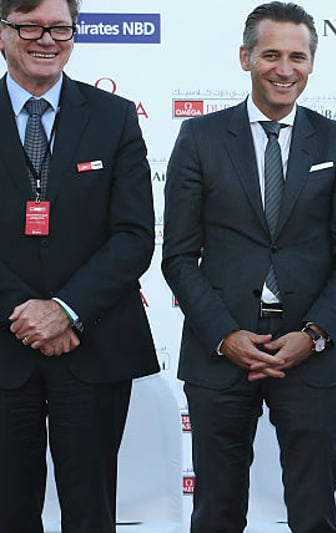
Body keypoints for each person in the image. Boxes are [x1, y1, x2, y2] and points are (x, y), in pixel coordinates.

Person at [161, 2, 336, 532]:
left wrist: (314, 335)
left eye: (297, 56)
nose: (284, 68)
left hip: (312, 354)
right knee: (216, 513)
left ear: (312, 63)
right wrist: (224, 335)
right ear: (245, 57)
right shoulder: (200, 137)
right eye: (271, 54)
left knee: (315, 514)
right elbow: (179, 256)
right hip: (220, 352)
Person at [0, 0, 158, 530]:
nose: (47, 40)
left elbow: (134, 236)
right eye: (30, 26)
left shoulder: (115, 116)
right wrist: (26, 314)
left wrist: (65, 310)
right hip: (4, 347)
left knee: (91, 514)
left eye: (60, 28)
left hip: (93, 344)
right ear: (2, 33)